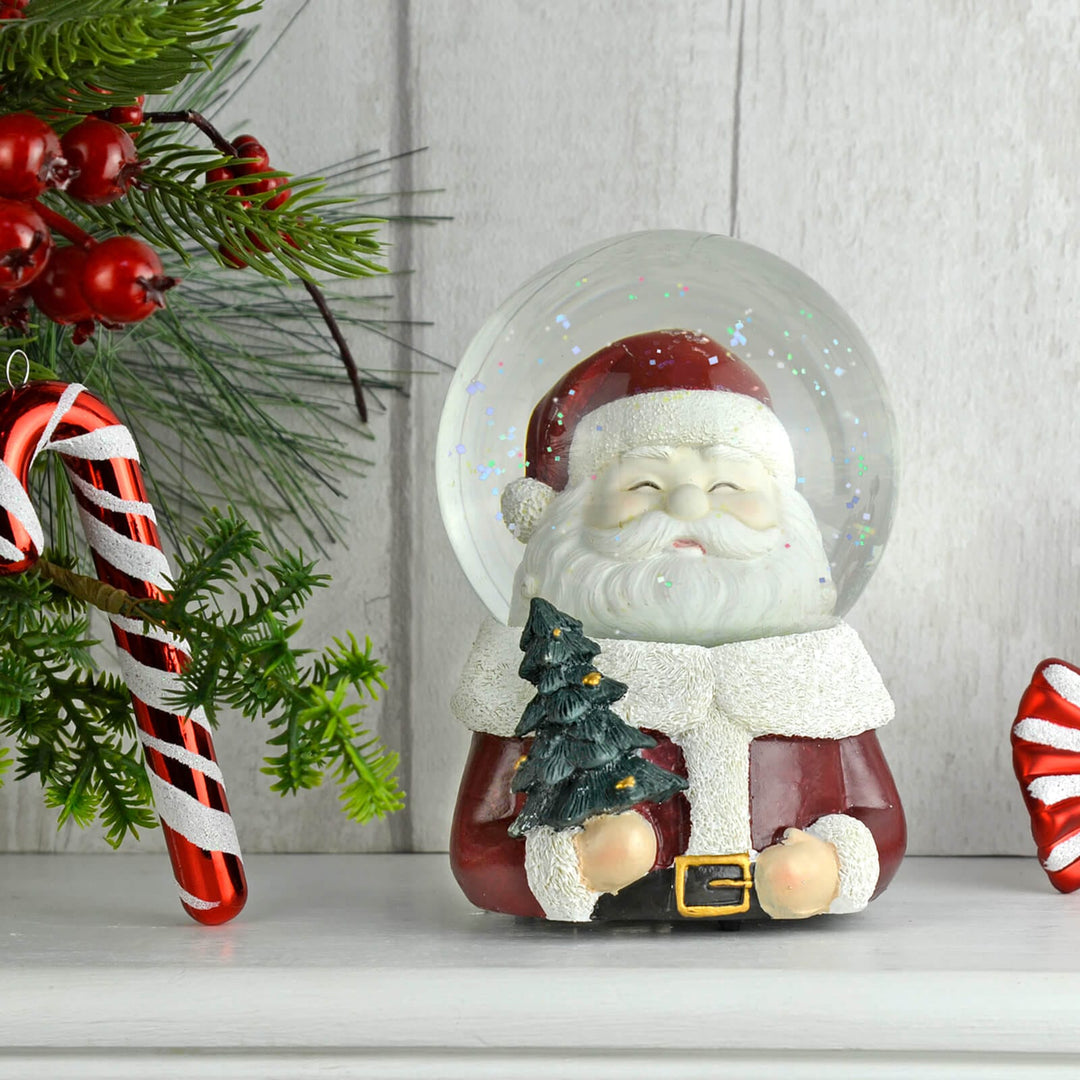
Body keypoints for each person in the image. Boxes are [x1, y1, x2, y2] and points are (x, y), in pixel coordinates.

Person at [450, 329, 905, 922]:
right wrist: (571, 862)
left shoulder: (819, 673)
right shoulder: (544, 674)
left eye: (727, 487)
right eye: (644, 484)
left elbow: (879, 816)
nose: (688, 508)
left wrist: (836, 866)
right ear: (565, 517)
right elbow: (478, 847)